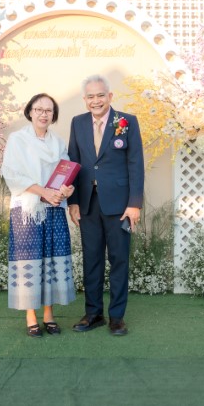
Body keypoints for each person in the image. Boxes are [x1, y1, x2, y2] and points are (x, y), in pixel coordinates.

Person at [68, 75, 144, 336]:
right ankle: (93, 314)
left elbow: (136, 163)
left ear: (110, 96)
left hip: (120, 206)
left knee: (119, 259)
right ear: (85, 99)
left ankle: (117, 317)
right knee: (91, 259)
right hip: (87, 204)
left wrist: (134, 204)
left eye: (100, 95)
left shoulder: (127, 121)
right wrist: (73, 202)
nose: (96, 100)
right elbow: (74, 162)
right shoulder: (77, 123)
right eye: (90, 96)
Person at [1, 93, 76, 338]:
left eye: (48, 110)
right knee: (30, 258)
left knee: (51, 259)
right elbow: (12, 174)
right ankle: (31, 316)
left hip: (54, 207)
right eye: (39, 109)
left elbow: (65, 172)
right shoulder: (18, 139)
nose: (44, 114)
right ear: (30, 112)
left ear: (53, 115)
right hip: (28, 209)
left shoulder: (57, 142)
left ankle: (49, 315)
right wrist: (43, 192)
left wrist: (67, 189)